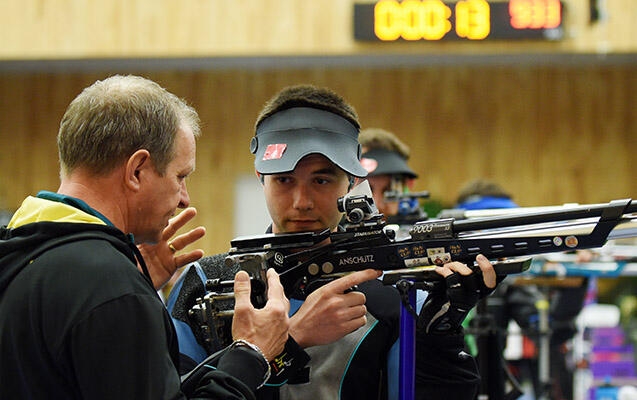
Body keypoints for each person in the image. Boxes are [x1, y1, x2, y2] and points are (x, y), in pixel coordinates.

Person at [167, 84, 500, 400]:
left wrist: (440, 335)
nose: (302, 201)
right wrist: (288, 340)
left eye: (322, 180)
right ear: (260, 178)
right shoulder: (206, 282)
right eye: (284, 179)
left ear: (352, 181)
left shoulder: (389, 291)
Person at [0, 75, 291, 399]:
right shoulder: (110, 289)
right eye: (180, 176)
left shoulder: (22, 255)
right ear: (137, 170)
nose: (185, 198)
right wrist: (250, 355)